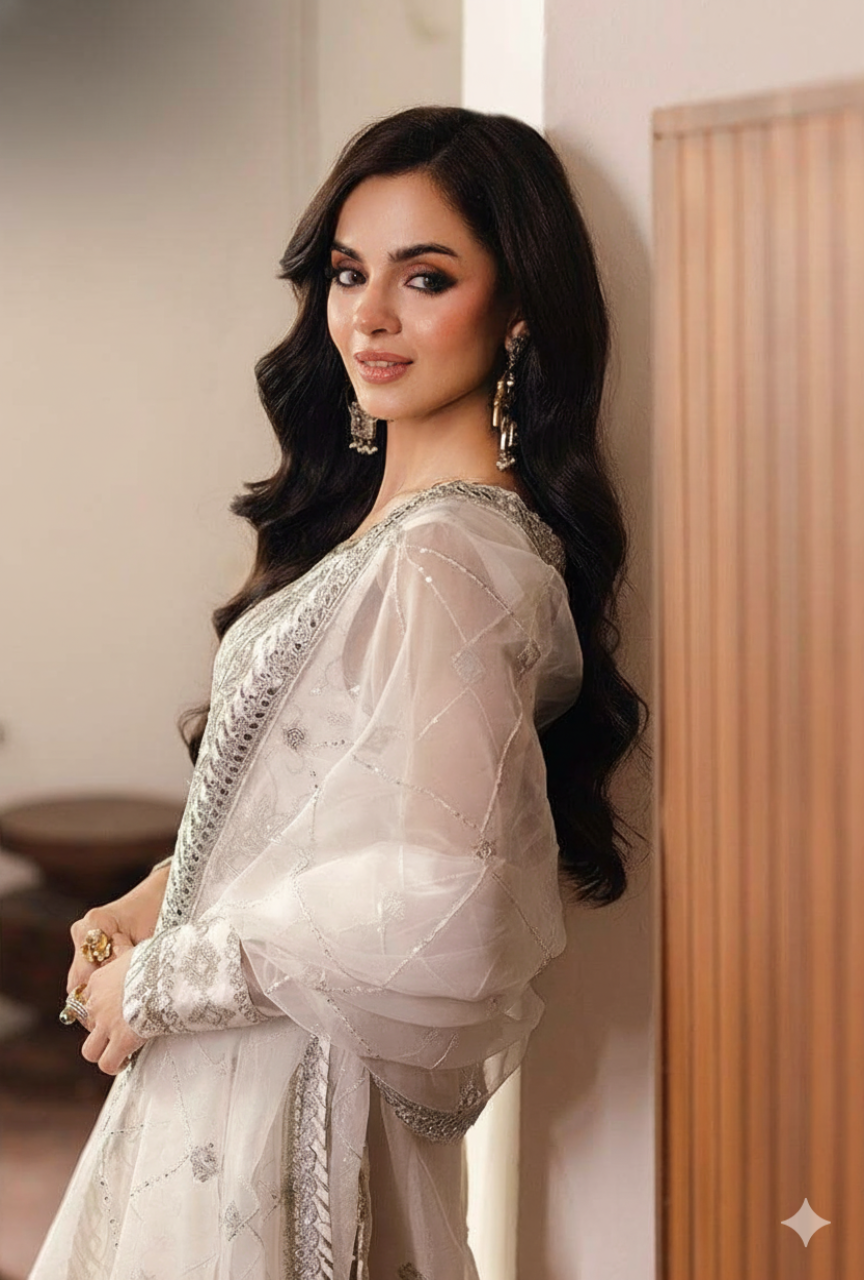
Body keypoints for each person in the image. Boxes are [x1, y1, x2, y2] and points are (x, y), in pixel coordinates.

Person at [30, 106, 647, 1280]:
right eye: (349, 272)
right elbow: (322, 809)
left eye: (425, 277)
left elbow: (451, 901)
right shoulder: (389, 538)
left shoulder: (448, 558)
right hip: (229, 1086)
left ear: (518, 306)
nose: (368, 314)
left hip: (284, 1107)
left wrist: (169, 972)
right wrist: (158, 891)